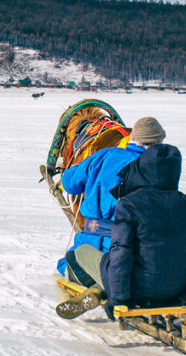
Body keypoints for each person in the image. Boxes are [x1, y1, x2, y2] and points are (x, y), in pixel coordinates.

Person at [57, 144, 186, 321]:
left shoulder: (130, 203)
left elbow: (121, 253)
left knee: (81, 252)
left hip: (136, 285)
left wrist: (118, 298)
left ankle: (99, 289)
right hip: (176, 287)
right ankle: (99, 288)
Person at [58, 116, 167, 278]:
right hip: (129, 252)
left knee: (66, 264)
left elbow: (68, 183)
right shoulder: (154, 169)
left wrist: (76, 169)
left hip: (88, 244)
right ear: (157, 143)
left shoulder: (104, 155)